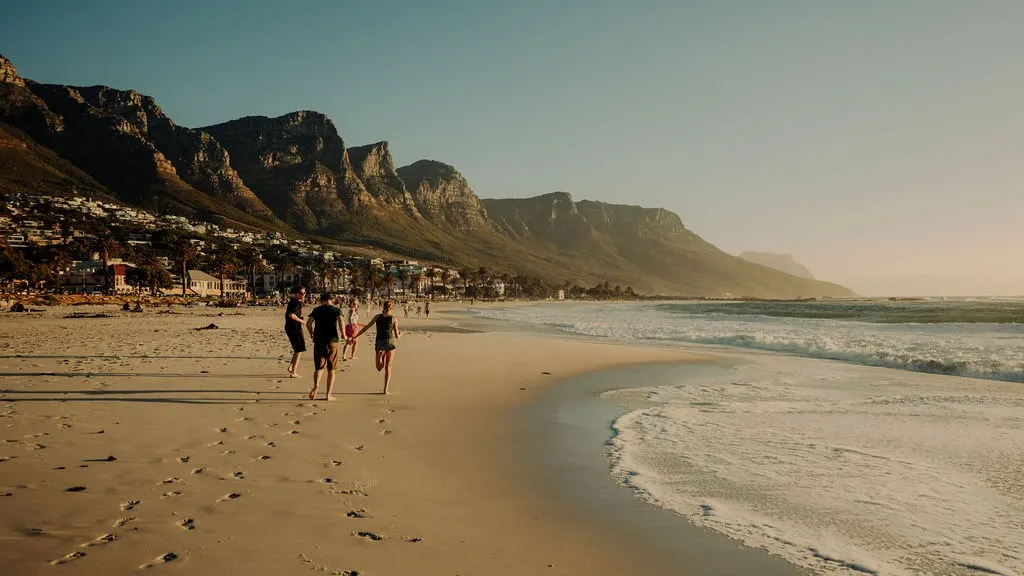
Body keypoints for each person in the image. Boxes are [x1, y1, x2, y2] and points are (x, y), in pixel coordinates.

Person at [351, 300, 401, 394]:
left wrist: (355, 337)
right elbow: (397, 336)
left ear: (383, 307)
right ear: (392, 308)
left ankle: (379, 356)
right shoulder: (394, 319)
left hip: (380, 342)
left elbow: (366, 327)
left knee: (379, 368)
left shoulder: (378, 317)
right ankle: (385, 389)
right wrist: (401, 334)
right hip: (390, 342)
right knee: (388, 366)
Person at [306, 293, 344, 401]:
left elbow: (308, 323)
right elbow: (341, 322)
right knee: (331, 369)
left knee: (319, 367)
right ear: (331, 300)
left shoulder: (317, 310)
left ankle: (316, 385)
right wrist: (344, 334)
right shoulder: (336, 310)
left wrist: (311, 333)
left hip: (319, 341)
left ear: (321, 300)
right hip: (332, 341)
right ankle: (328, 395)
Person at [284, 286, 306, 377]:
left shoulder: (293, 301)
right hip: (295, 328)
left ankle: (290, 367)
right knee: (299, 350)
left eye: (304, 293)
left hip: (290, 327)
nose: (303, 295)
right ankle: (293, 372)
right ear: (296, 293)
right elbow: (291, 315)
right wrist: (302, 321)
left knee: (297, 349)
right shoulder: (297, 302)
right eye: (301, 293)